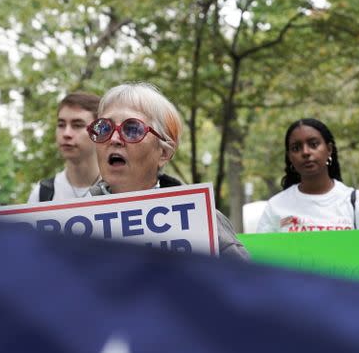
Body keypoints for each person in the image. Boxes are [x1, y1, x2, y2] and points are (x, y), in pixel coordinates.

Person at [86, 82, 248, 260]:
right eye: (104, 128)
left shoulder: (204, 221)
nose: (114, 139)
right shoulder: (72, 226)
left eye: (132, 129)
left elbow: (248, 285)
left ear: (163, 153)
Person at [256, 118, 359, 260]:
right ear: (290, 157)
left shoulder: (356, 201)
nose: (305, 152)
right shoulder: (276, 205)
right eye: (296, 148)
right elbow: (259, 260)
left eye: (313, 144)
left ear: (329, 149)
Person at [27, 92, 101, 203]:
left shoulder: (117, 189)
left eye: (77, 125)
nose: (66, 133)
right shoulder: (43, 194)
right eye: (61, 125)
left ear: (99, 131)